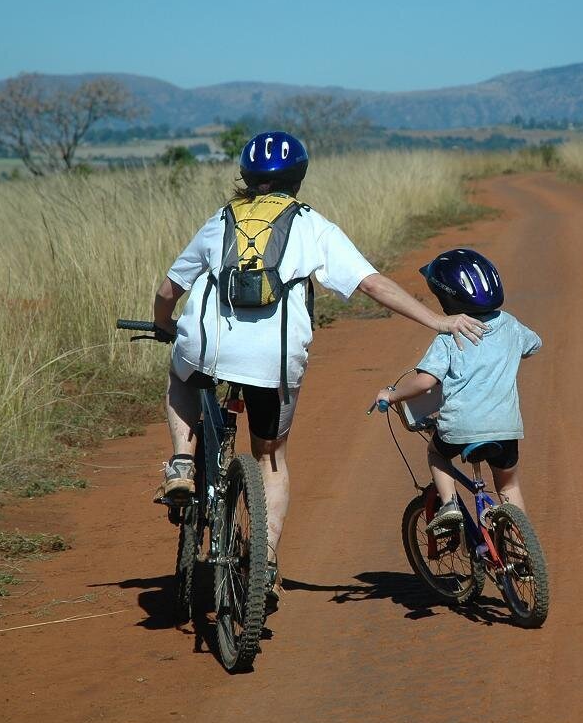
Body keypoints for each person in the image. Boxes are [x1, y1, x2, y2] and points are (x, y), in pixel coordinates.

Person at [152, 131, 488, 606]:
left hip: (209, 351)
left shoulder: (219, 221)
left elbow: (170, 290)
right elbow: (370, 283)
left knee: (181, 374)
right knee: (270, 458)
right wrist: (437, 319)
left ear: (246, 178)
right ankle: (265, 562)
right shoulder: (311, 226)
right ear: (299, 178)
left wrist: (162, 324)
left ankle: (183, 461)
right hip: (274, 361)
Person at [372, 248, 541, 533]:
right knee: (508, 485)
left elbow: (425, 382)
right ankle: (523, 550)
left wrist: (391, 394)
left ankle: (449, 504)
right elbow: (534, 345)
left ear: (446, 299)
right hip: (506, 428)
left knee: (436, 453)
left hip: (460, 428)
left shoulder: (450, 337)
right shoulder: (510, 325)